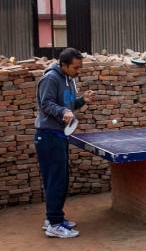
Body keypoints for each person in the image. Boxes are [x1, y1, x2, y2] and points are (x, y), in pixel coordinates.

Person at [35, 48, 95, 238]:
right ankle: (54, 224)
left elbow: (68, 105)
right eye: (76, 67)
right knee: (56, 180)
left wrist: (81, 101)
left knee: (59, 179)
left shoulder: (69, 79)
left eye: (80, 67)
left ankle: (53, 218)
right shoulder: (51, 78)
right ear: (63, 65)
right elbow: (46, 104)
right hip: (48, 136)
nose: (79, 71)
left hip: (59, 135)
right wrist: (62, 112)